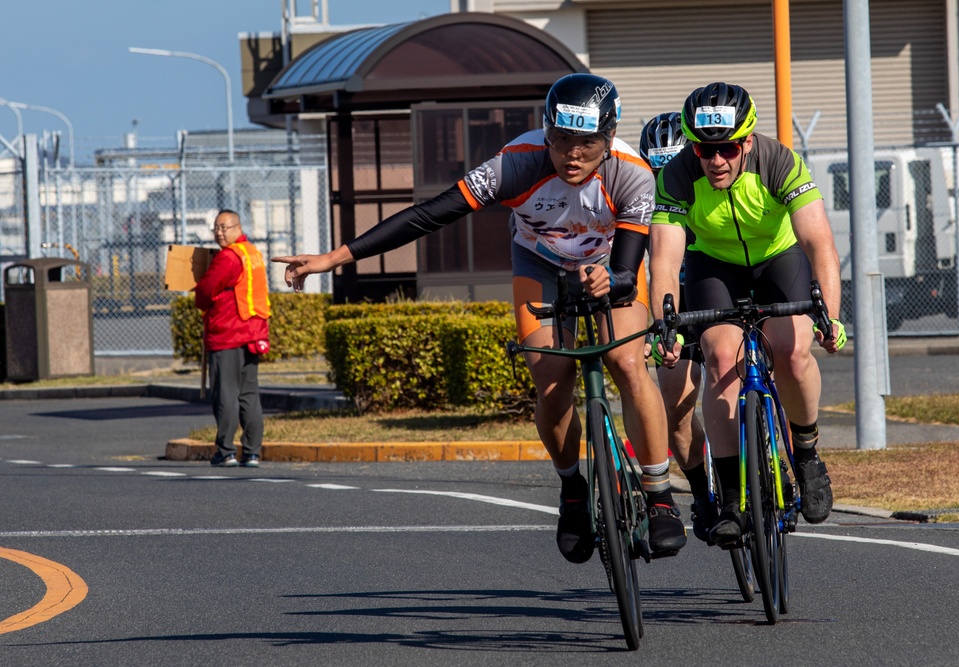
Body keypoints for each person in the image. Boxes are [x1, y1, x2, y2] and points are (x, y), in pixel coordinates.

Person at [273, 73, 687, 562]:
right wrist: (335, 258)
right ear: (545, 131)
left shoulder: (632, 173)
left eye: (588, 142)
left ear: (610, 137)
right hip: (540, 263)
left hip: (608, 265)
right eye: (560, 139)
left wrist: (612, 281)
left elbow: (627, 268)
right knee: (552, 381)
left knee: (626, 361)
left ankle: (659, 493)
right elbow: (430, 214)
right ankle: (572, 489)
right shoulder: (516, 163)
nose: (571, 154)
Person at [649, 82, 845, 546]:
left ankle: (807, 455)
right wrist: (666, 327)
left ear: (748, 142)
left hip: (777, 258)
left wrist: (830, 316)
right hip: (714, 264)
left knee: (792, 349)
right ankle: (734, 498)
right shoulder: (677, 176)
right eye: (704, 150)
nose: (715, 160)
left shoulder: (779, 162)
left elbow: (820, 243)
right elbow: (663, 261)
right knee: (719, 360)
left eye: (728, 149)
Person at [638, 112, 717, 544]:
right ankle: (704, 494)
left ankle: (768, 454)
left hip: (719, 288)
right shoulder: (642, 199)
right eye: (656, 170)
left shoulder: (710, 183)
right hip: (674, 304)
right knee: (676, 406)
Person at [195, 209, 271, 468]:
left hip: (228, 333)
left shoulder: (228, 257)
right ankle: (252, 452)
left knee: (225, 394)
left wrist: (200, 298)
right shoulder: (252, 253)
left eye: (224, 227)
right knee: (248, 394)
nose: (219, 232)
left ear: (237, 227)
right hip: (252, 333)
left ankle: (226, 451)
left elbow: (206, 290)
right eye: (216, 228)